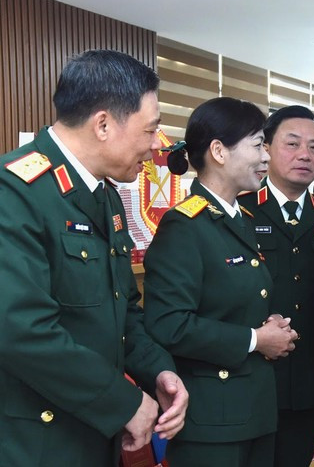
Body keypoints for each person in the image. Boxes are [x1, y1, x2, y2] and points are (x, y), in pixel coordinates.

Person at [0, 49, 188, 465]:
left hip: (95, 433)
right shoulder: (14, 192)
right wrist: (121, 402)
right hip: (36, 442)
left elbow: (126, 309)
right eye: (150, 129)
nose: (156, 146)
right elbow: (20, 330)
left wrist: (158, 370)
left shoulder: (105, 197)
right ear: (103, 124)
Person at [143, 97, 298, 467]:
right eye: (258, 144)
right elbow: (169, 324)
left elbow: (235, 300)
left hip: (253, 410)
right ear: (219, 151)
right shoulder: (185, 225)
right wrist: (256, 339)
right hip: (212, 422)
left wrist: (268, 323)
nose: (266, 157)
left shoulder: (237, 217)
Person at [238, 105, 314, 467]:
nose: (304, 155)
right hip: (250, 375)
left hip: (309, 378)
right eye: (292, 144)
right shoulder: (240, 210)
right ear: (265, 148)